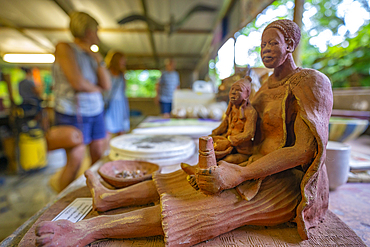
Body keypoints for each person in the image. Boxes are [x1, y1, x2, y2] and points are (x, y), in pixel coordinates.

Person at [35, 19, 333, 247]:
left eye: (274, 44)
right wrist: (223, 145)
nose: (266, 51)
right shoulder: (263, 84)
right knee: (184, 177)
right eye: (263, 45)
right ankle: (109, 199)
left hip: (282, 182)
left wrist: (241, 175)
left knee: (199, 206)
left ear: (291, 45)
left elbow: (305, 151)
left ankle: (88, 230)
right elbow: (246, 130)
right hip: (248, 164)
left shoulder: (310, 82)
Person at [52, 11, 111, 190]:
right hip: (72, 111)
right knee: (76, 158)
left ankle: (96, 192)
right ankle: (60, 204)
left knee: (98, 152)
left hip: (95, 110)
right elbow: (77, 82)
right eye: (96, 31)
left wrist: (97, 58)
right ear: (87, 31)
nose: (98, 35)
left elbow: (106, 84)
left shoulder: (92, 55)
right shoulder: (65, 47)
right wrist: (96, 89)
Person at [211, 76, 257, 164]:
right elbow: (225, 124)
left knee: (224, 162)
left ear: (246, 94)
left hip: (242, 151)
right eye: (232, 89)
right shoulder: (232, 108)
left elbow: (248, 134)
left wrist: (229, 141)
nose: (233, 93)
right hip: (229, 147)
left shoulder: (250, 112)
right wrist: (214, 132)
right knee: (209, 150)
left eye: (238, 90)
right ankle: (198, 170)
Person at [104, 51, 130, 139]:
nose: (124, 62)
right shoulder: (106, 72)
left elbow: (123, 90)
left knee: (121, 130)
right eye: (122, 60)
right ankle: (106, 152)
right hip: (109, 104)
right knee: (107, 130)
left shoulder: (121, 75)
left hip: (120, 105)